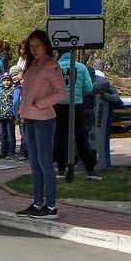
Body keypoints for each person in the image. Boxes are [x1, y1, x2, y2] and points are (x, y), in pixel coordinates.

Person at [17, 30, 67, 219]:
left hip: (44, 119)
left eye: (37, 45)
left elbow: (61, 93)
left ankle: (51, 206)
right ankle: (38, 203)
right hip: (29, 118)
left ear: (46, 45)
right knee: (34, 163)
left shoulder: (51, 65)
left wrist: (40, 103)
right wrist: (22, 110)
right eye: (31, 46)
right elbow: (27, 91)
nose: (34, 49)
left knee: (45, 163)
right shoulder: (32, 65)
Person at [55, 52, 99, 180]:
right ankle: (90, 170)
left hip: (59, 105)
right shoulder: (81, 67)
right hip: (76, 105)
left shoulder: (54, 67)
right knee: (80, 138)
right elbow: (88, 88)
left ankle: (61, 170)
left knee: (60, 138)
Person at [0, 72, 18, 160]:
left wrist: (15, 115)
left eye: (8, 80)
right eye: (4, 81)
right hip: (1, 116)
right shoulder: (0, 91)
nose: (6, 82)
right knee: (2, 135)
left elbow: (15, 103)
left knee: (10, 134)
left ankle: (11, 152)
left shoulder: (13, 90)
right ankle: (2, 152)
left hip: (10, 116)